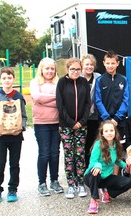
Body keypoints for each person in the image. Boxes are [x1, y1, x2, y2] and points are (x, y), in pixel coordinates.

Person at [0, 67, 27, 203]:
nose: (7, 80)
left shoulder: (18, 97)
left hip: (15, 137)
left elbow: (23, 115)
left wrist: (21, 127)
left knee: (14, 164)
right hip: (0, 136)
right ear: (0, 79)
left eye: (9, 78)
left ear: (13, 79)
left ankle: (12, 189)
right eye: (4, 78)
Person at [56, 58, 91, 199]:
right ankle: (71, 184)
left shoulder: (84, 83)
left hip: (82, 126)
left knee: (80, 155)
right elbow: (60, 105)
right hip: (66, 126)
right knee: (69, 155)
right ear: (67, 70)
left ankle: (81, 183)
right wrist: (71, 122)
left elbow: (88, 104)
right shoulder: (62, 83)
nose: (75, 72)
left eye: (78, 69)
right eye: (72, 69)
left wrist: (81, 122)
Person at [30, 57, 63, 196]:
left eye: (52, 68)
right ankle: (42, 183)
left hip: (56, 123)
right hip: (41, 123)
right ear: (41, 69)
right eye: (47, 68)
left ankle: (54, 180)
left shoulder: (59, 83)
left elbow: (61, 102)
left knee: (55, 153)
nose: (49, 71)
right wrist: (54, 98)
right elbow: (37, 98)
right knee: (44, 153)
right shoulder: (35, 82)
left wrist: (45, 101)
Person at [84, 120, 131, 214]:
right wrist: (98, 166)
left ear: (115, 132)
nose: (109, 133)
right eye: (106, 131)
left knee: (128, 182)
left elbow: (117, 161)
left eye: (111, 130)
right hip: (92, 177)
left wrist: (127, 165)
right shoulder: (98, 144)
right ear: (102, 134)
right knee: (96, 171)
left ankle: (107, 192)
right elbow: (92, 162)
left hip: (106, 177)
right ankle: (94, 200)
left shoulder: (116, 144)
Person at [95, 50, 129, 174]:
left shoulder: (123, 80)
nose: (110, 65)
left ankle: (116, 175)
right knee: (106, 147)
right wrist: (108, 119)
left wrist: (117, 117)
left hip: (119, 121)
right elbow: (98, 101)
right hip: (105, 121)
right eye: (108, 63)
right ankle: (106, 175)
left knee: (118, 148)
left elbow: (126, 100)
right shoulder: (100, 80)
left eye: (112, 63)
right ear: (104, 63)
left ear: (117, 63)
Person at [81, 54, 101, 167]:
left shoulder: (98, 77)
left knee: (91, 142)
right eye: (87, 64)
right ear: (82, 65)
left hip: (94, 115)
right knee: (81, 143)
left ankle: (90, 166)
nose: (89, 67)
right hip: (80, 115)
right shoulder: (77, 76)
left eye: (91, 64)